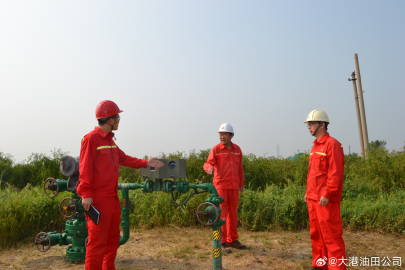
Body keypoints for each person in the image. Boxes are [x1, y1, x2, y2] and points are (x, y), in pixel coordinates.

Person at [76, 100, 164, 270]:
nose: (119, 120)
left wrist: (147, 163)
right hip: (98, 200)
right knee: (97, 244)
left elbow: (124, 158)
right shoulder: (91, 139)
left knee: (112, 240)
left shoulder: (110, 141)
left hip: (112, 198)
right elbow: (84, 167)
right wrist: (85, 194)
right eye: (117, 117)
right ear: (109, 119)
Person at [304, 109, 346, 270]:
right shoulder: (315, 146)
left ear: (322, 124)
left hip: (326, 200)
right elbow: (314, 173)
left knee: (332, 236)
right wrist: (308, 192)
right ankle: (320, 264)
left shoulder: (332, 145)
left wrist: (328, 193)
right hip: (313, 198)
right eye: (308, 124)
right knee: (316, 234)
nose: (308, 127)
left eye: (311, 124)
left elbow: (335, 173)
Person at [203, 123, 247, 249]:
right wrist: (209, 168)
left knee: (233, 213)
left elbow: (240, 168)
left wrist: (241, 184)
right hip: (220, 186)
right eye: (220, 134)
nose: (221, 136)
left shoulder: (237, 150)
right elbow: (208, 163)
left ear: (231, 135)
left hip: (234, 187)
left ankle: (232, 239)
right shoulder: (216, 149)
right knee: (221, 213)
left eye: (224, 134)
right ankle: (221, 242)